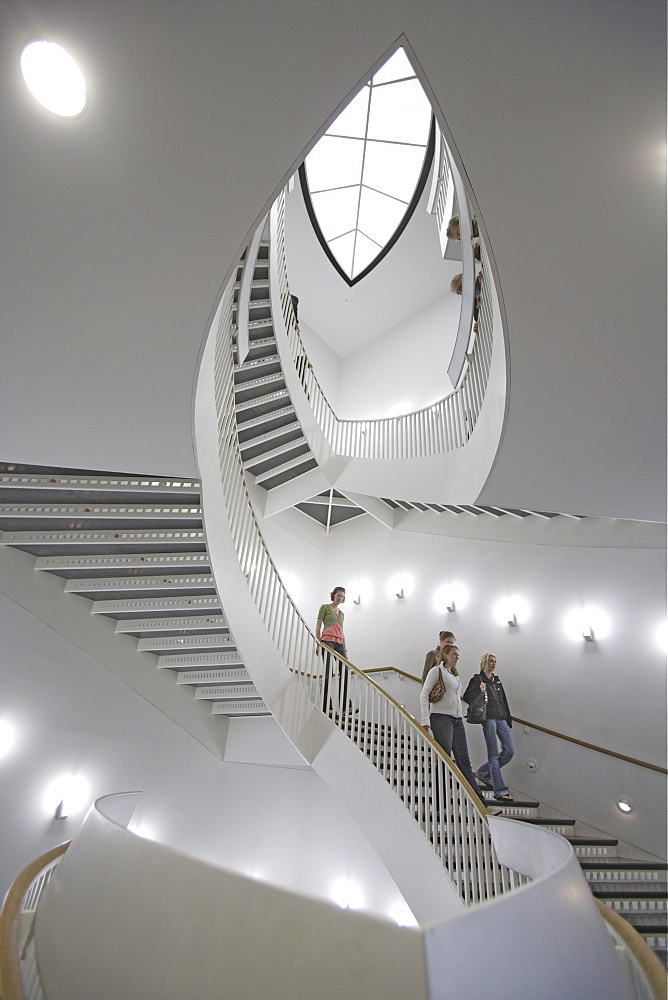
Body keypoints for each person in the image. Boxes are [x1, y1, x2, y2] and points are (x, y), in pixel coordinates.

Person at [420, 644, 485, 806]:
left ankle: (480, 802)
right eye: (454, 654)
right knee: (445, 759)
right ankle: (439, 801)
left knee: (464, 761)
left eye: (458, 655)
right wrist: (425, 719)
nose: (457, 657)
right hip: (440, 718)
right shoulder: (437, 671)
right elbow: (424, 694)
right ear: (445, 655)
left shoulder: (454, 675)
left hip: (456, 719)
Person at [463, 653, 514, 802]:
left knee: (509, 751)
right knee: (493, 754)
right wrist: (479, 690)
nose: (493, 664)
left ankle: (483, 772)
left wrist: (508, 720)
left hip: (501, 718)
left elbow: (503, 701)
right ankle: (499, 790)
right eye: (491, 661)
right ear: (484, 663)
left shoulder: (497, 682)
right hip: (488, 719)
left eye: (495, 662)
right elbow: (467, 697)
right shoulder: (477, 679)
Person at [316, 586, 347, 659]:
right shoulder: (325, 607)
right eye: (338, 595)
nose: (340, 598)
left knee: (345, 668)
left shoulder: (342, 614)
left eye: (342, 597)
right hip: (327, 639)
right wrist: (318, 644)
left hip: (339, 641)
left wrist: (345, 649)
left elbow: (341, 631)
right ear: (334, 595)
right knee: (328, 665)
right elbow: (318, 627)